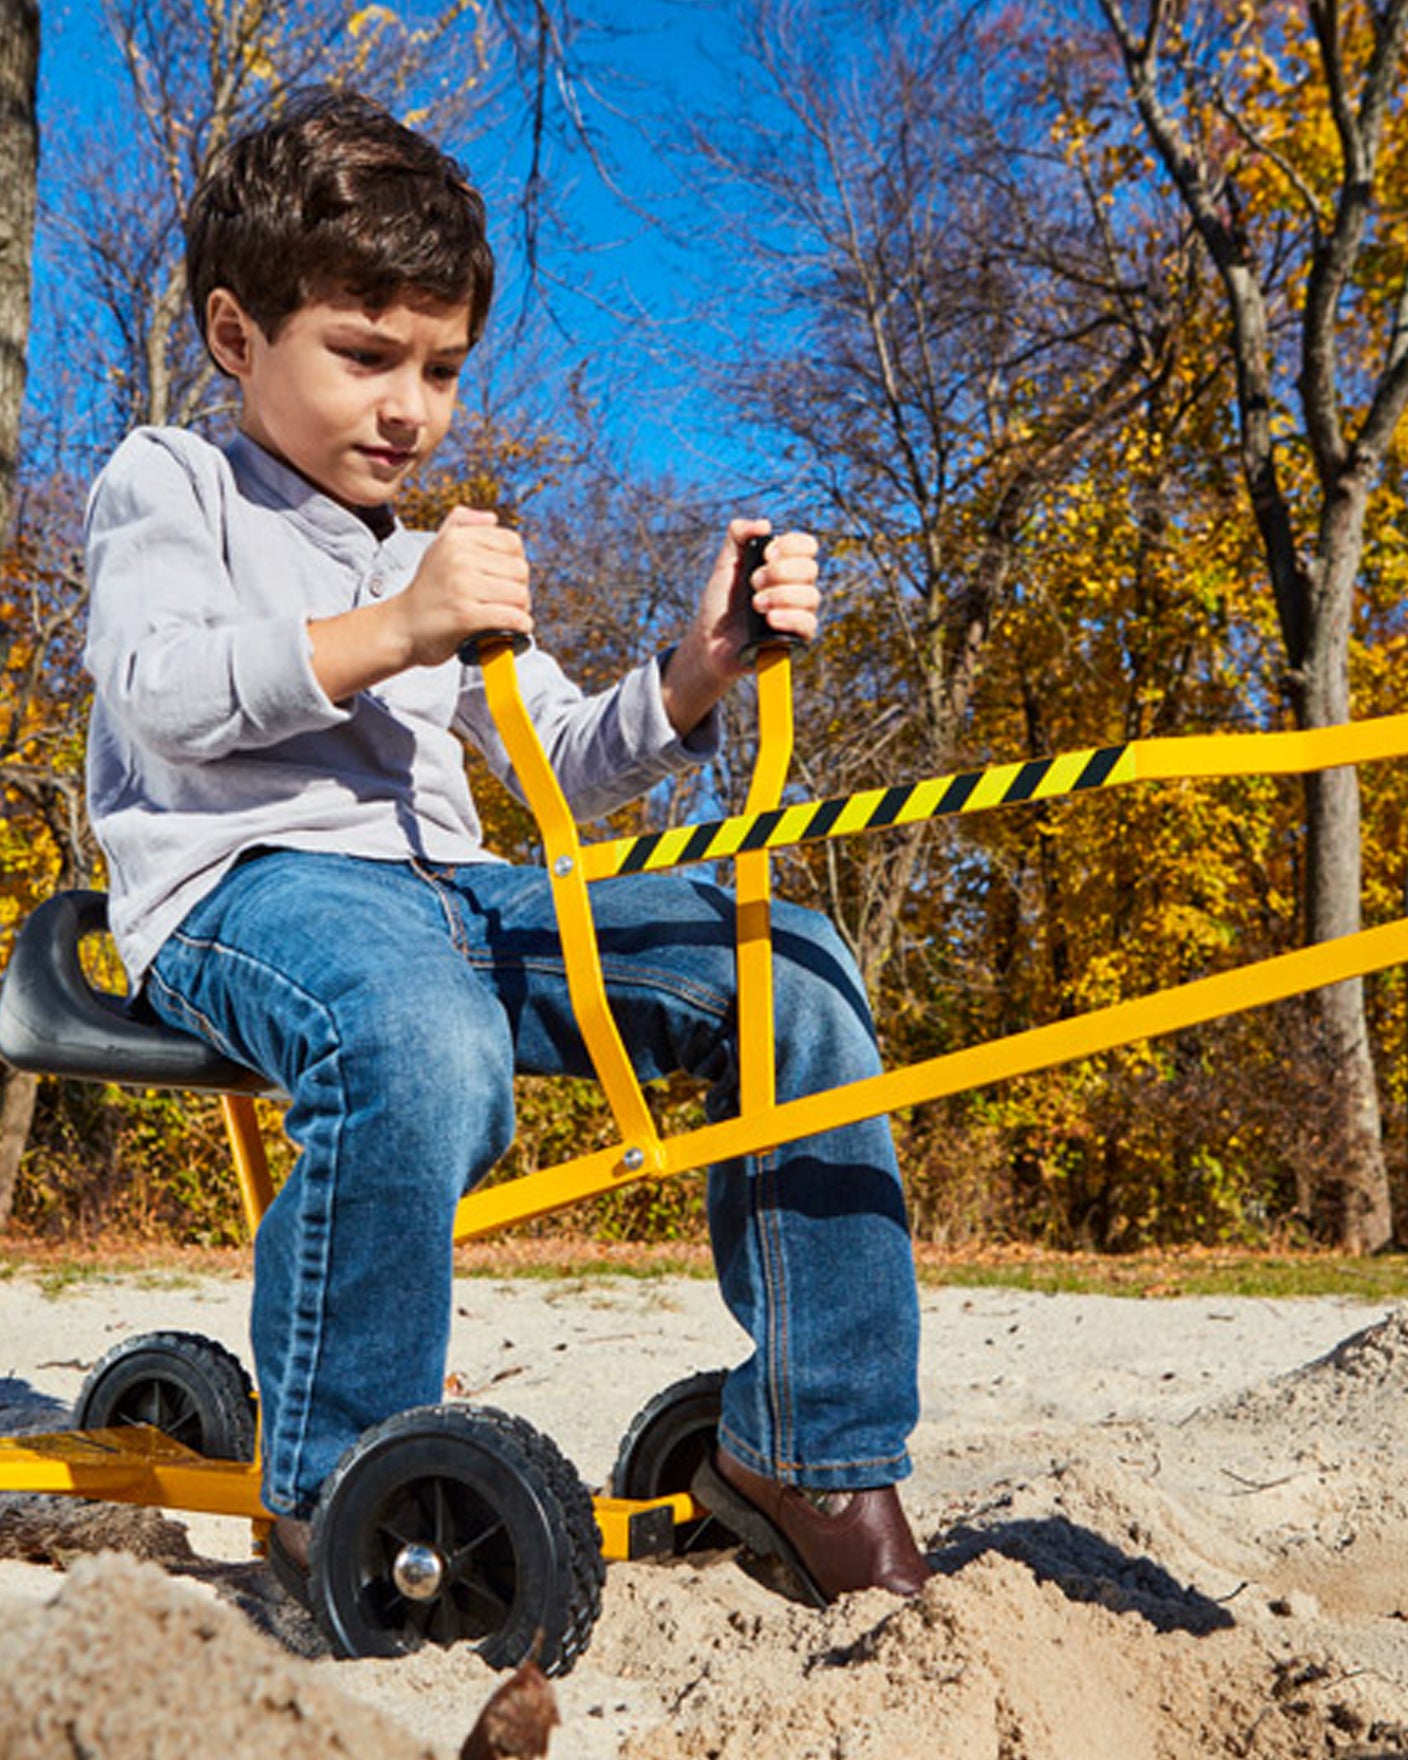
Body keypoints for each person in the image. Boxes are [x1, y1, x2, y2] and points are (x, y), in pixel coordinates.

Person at [82, 88, 931, 1609]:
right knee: (419, 1039)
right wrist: (395, 627)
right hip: (247, 887)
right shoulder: (173, 483)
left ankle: (811, 1450)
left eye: (442, 368)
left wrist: (700, 666)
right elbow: (160, 692)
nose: (409, 408)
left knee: (789, 968)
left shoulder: (429, 551)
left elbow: (567, 754)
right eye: (364, 356)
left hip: (459, 894)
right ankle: (341, 1487)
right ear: (234, 336)